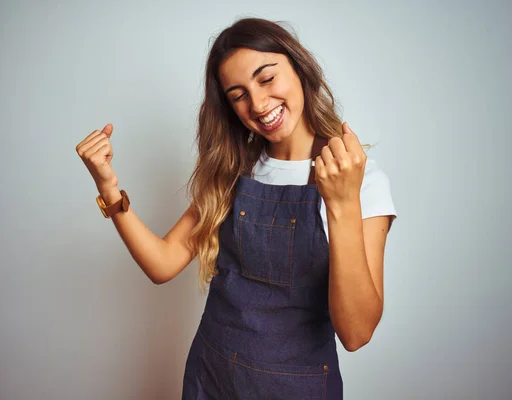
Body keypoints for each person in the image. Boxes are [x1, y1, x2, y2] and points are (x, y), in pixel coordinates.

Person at [76, 17, 397, 400]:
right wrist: (109, 188)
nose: (258, 104)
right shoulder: (234, 171)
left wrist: (342, 202)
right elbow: (162, 264)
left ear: (299, 67)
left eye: (266, 78)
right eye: (238, 94)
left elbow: (356, 333)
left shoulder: (360, 178)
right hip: (211, 379)